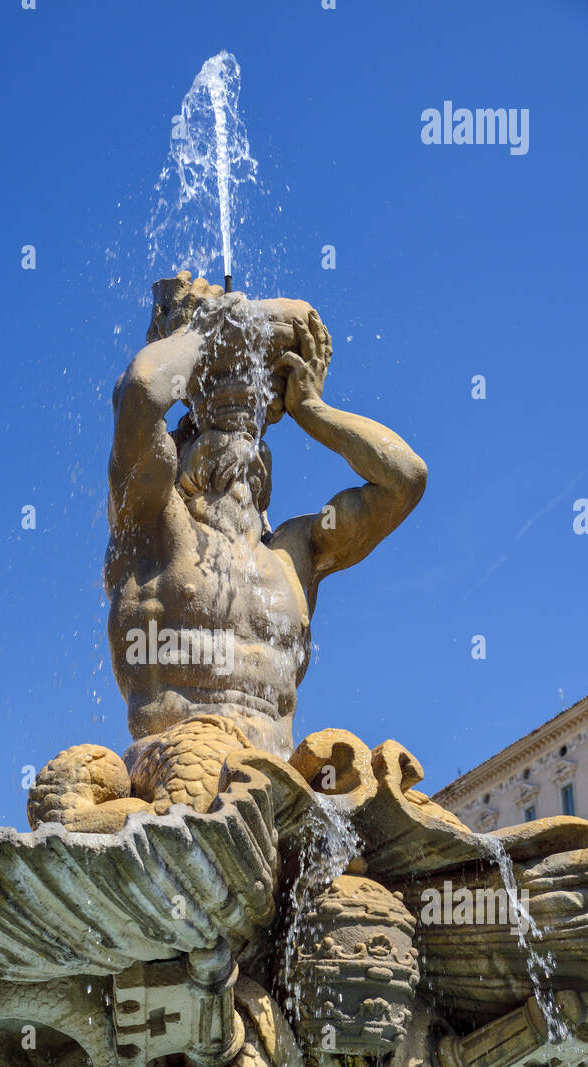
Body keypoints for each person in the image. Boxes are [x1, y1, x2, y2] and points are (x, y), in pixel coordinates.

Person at [106, 273, 427, 762]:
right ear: (182, 447)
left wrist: (313, 410)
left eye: (254, 450)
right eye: (215, 444)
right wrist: (204, 333)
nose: (242, 462)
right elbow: (143, 393)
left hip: (278, 788)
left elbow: (405, 478)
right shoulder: (151, 520)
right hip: (174, 778)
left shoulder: (295, 553)